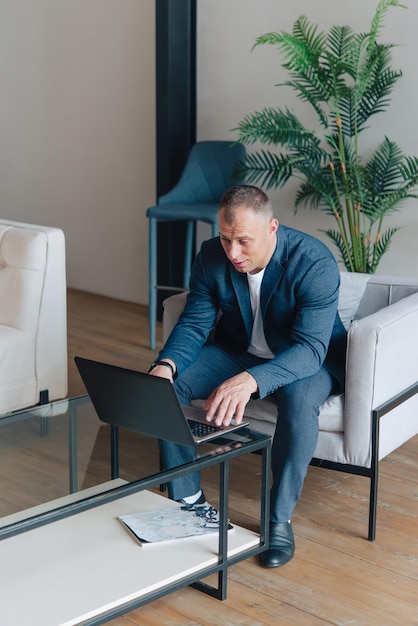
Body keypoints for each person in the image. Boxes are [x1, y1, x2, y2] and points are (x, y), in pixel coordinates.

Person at [148, 184, 347, 568]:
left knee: (299, 399)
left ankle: (277, 519)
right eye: (225, 239)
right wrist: (166, 365)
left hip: (305, 359)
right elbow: (194, 323)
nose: (233, 253)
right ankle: (187, 502)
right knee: (165, 387)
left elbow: (310, 348)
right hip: (238, 351)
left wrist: (251, 381)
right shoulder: (210, 256)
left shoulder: (313, 261)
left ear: (272, 228)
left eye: (243, 241)